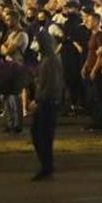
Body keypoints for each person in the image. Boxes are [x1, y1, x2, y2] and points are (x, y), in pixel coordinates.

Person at [30, 27, 64, 181]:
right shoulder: (46, 59)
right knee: (39, 134)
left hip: (47, 102)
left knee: (43, 135)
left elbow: (50, 84)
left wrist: (39, 100)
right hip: (45, 101)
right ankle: (46, 165)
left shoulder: (51, 60)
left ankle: (47, 166)